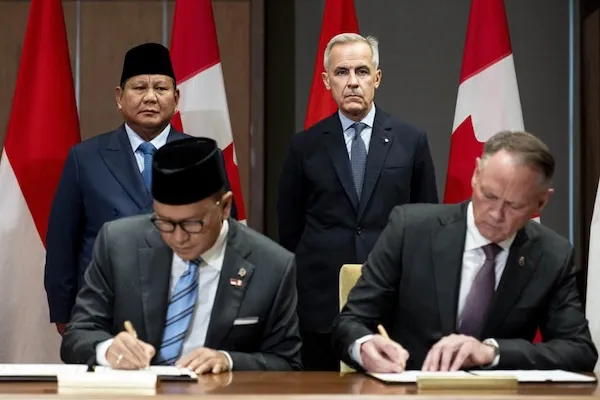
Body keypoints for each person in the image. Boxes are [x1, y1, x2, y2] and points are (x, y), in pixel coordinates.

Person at [332, 131, 598, 372]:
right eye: (489, 196)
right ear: (475, 174)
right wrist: (363, 345)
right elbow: (350, 321)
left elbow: (579, 350)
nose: (496, 214)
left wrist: (491, 352)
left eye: (514, 206)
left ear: (541, 202)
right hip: (411, 390)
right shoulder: (410, 229)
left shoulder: (551, 255)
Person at [61, 137, 301, 373]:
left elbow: (287, 362)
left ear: (225, 207)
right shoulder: (119, 244)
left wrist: (228, 361)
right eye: (165, 222)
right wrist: (107, 349)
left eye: (192, 224)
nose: (178, 238)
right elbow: (78, 334)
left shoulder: (272, 265)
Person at [44, 42, 237, 335]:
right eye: (139, 88)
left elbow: (226, 233)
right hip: (104, 309)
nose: (150, 97)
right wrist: (64, 313)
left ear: (176, 98)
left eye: (160, 88)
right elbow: (62, 242)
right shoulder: (85, 158)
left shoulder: (203, 157)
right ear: (119, 97)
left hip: (185, 308)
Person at [277, 33, 438, 371]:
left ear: (377, 78)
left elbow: (426, 223)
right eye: (342, 72)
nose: (353, 82)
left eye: (362, 71)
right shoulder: (304, 146)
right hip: (321, 305)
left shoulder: (410, 140)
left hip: (391, 298)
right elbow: (290, 230)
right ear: (327, 81)